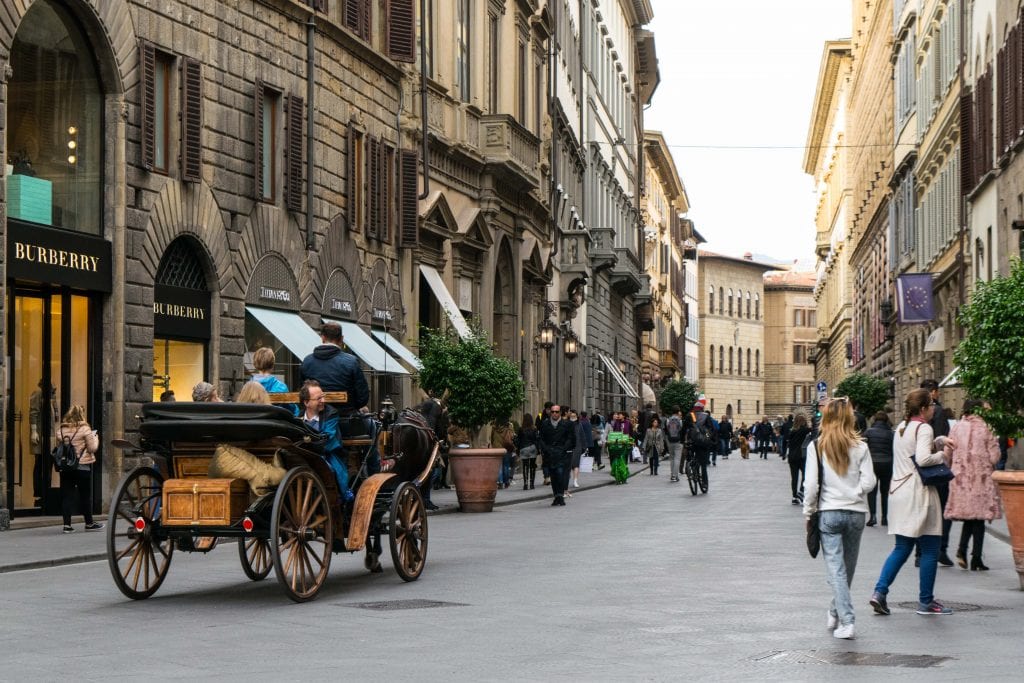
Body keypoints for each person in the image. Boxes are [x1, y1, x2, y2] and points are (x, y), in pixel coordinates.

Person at [870, 388, 956, 617]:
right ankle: (926, 602)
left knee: (902, 547)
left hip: (898, 491)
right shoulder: (924, 427)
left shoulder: (901, 427)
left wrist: (938, 440)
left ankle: (879, 592)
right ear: (924, 408)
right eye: (931, 405)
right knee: (930, 547)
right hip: (919, 493)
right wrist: (944, 455)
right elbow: (923, 458)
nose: (934, 408)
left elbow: (913, 449)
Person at [803, 398, 875, 639]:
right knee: (848, 568)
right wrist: (854, 493)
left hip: (829, 512)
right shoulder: (861, 447)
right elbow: (870, 482)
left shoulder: (817, 446)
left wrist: (808, 512)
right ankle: (836, 610)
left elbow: (811, 485)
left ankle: (846, 620)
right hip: (855, 513)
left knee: (836, 569)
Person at [943, 399, 1002, 571]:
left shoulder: (956, 427)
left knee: (972, 517)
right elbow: (994, 456)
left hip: (960, 479)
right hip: (980, 479)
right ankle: (975, 558)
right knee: (978, 518)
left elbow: (947, 454)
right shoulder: (985, 428)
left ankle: (963, 551)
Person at [298, 379, 353, 503]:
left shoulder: (331, 414)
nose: (323, 401)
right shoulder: (298, 417)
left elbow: (327, 439)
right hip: (303, 457)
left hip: (328, 456)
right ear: (306, 402)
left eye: (323, 396)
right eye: (318, 399)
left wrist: (307, 445)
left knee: (329, 470)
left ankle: (335, 499)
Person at [300, 321, 370, 414]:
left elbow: (303, 392)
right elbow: (363, 398)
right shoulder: (351, 362)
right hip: (345, 418)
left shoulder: (307, 361)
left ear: (322, 338)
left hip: (316, 418)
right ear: (341, 339)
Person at [920, 379, 953, 566]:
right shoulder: (938, 412)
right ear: (933, 393)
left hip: (920, 471)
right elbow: (940, 440)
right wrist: (942, 455)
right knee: (941, 510)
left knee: (923, 509)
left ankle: (919, 552)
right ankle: (940, 549)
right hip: (935, 468)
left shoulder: (910, 419)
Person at [56, 405, 103, 533]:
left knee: (67, 496)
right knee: (85, 495)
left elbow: (60, 448)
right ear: (81, 415)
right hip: (82, 466)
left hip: (66, 468)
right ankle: (89, 523)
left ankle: (67, 525)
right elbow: (92, 448)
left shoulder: (61, 430)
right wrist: (96, 439)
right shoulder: (85, 429)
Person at [539, 404, 575, 506]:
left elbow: (571, 438)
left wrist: (565, 448)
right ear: (550, 412)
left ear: (560, 413)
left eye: (557, 411)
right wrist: (545, 449)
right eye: (553, 411)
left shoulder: (567, 424)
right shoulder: (545, 424)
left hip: (561, 453)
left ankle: (560, 495)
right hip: (549, 453)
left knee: (560, 473)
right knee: (553, 476)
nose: (554, 413)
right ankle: (556, 496)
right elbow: (541, 438)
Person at [864, 411, 894, 527]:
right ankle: (885, 518)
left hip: (872, 464)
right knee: (885, 492)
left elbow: (864, 448)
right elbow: (893, 450)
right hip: (887, 463)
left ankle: (873, 516)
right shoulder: (891, 433)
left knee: (872, 491)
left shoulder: (868, 432)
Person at [787, 413, 812, 504]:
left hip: (792, 457)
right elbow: (814, 430)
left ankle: (794, 496)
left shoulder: (792, 431)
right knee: (805, 475)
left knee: (794, 477)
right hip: (801, 456)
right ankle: (801, 491)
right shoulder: (804, 430)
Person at [516, 413, 541, 490]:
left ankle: (525, 484)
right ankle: (532, 484)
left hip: (524, 448)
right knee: (532, 466)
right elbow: (536, 439)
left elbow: (518, 440)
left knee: (525, 466)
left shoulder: (521, 429)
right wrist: (538, 449)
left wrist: (518, 449)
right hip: (532, 447)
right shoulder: (534, 429)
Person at [491, 416, 516, 489]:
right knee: (506, 465)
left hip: (497, 448)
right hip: (506, 448)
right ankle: (506, 482)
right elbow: (512, 437)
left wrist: (493, 444)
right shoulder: (509, 426)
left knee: (499, 466)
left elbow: (492, 437)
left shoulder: (494, 427)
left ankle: (500, 482)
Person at [665, 406, 686, 482]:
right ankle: (675, 476)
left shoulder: (668, 420)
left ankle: (673, 475)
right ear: (678, 412)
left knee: (672, 458)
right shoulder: (680, 420)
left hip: (670, 440)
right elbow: (681, 430)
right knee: (677, 458)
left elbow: (667, 430)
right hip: (678, 441)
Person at [573, 411, 594, 487]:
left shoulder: (580, 424)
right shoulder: (566, 424)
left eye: (574, 416)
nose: (573, 418)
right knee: (570, 466)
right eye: (571, 416)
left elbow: (582, 435)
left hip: (577, 447)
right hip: (569, 448)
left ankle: (575, 480)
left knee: (576, 465)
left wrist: (584, 447)